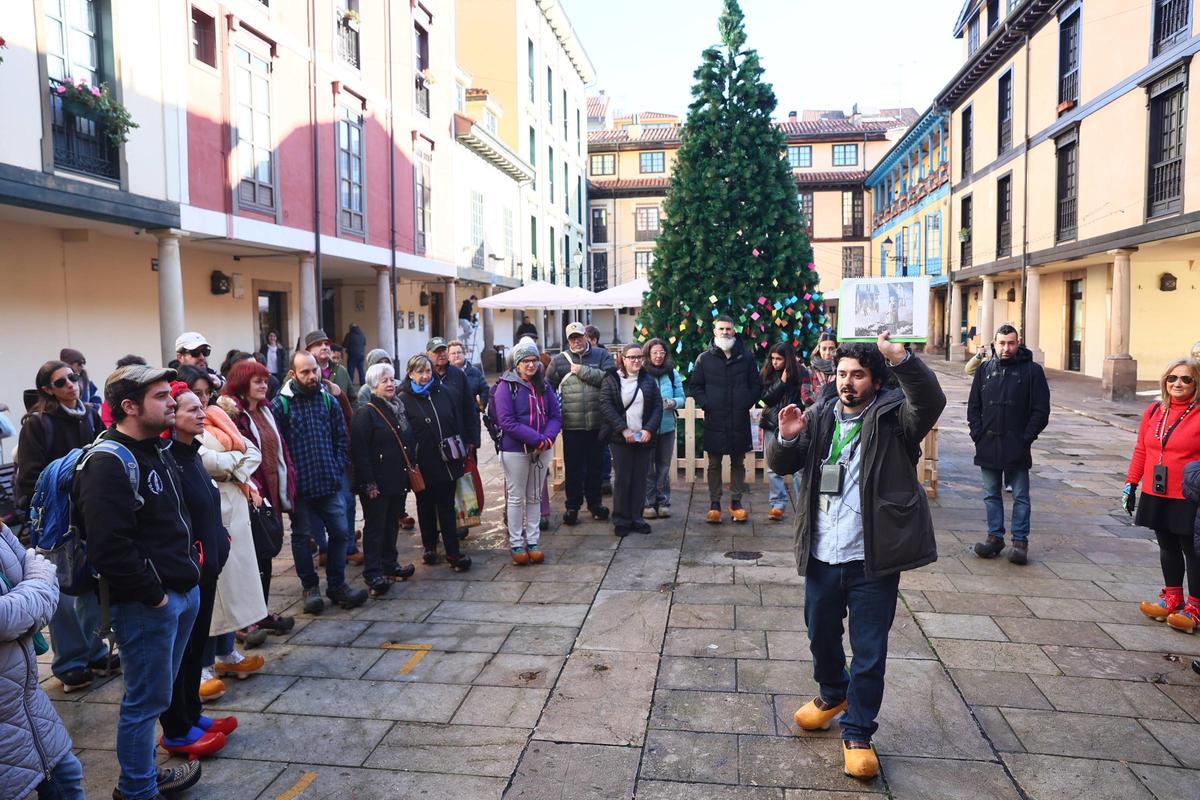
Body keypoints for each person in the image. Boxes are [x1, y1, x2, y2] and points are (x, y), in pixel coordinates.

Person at [768, 334, 946, 781]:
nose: (848, 382)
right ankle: (832, 692)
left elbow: (929, 400)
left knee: (869, 650)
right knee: (819, 633)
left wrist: (902, 358)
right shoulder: (821, 414)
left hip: (871, 556)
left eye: (858, 375)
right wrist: (786, 440)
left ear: (875, 378)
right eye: (842, 374)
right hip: (823, 550)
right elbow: (782, 464)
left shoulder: (894, 417)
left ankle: (858, 732)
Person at [75, 364, 203, 799]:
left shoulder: (155, 448)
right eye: (161, 396)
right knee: (143, 703)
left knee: (156, 698)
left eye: (171, 394)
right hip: (150, 605)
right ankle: (136, 789)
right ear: (129, 407)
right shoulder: (108, 462)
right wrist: (155, 598)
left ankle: (143, 773)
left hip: (181, 591)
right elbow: (110, 549)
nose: (172, 401)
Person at [15, 360, 115, 693]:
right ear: (47, 390)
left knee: (89, 586)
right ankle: (70, 663)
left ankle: (95, 651)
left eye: (74, 378)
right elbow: (28, 477)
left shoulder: (89, 412)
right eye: (62, 382)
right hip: (57, 518)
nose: (72, 384)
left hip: (89, 513)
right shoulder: (37, 423)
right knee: (63, 592)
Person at [158, 384, 234, 760]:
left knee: (195, 651)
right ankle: (177, 728)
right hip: (191, 572)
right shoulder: (169, 458)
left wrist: (221, 541)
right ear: (173, 419)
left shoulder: (192, 454)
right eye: (192, 410)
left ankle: (193, 714)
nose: (202, 414)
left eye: (202, 408)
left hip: (207, 570)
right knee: (182, 654)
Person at [272, 351, 368, 615]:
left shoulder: (328, 401)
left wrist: (336, 467)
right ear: (293, 375)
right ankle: (310, 588)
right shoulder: (281, 405)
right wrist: (289, 480)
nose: (312, 376)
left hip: (329, 484)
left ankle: (337, 585)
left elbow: (341, 438)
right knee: (302, 538)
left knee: (340, 533)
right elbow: (276, 447)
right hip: (300, 489)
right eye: (305, 372)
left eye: (314, 370)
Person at [0, 523, 86, 800]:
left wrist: (34, 590)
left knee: (66, 776)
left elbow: (37, 566)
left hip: (24, 697)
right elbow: (6, 619)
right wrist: (38, 587)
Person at [220, 360, 297, 638]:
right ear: (242, 385)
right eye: (257, 381)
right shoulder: (232, 416)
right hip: (248, 496)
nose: (264, 385)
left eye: (265, 380)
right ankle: (244, 621)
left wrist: (288, 485)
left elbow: (280, 449)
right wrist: (253, 489)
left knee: (264, 557)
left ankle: (259, 613)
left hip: (270, 496)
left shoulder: (265, 410)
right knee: (249, 559)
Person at [967, 325, 1051, 565]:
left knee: (1021, 496)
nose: (1006, 348)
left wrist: (1026, 437)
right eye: (1002, 343)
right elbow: (974, 406)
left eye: (1011, 343)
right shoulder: (985, 369)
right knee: (991, 494)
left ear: (1018, 342)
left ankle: (1020, 541)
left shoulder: (1032, 371)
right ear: (994, 343)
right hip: (988, 442)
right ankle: (995, 538)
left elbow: (1041, 410)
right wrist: (977, 433)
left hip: (1017, 444)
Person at [199, 394, 269, 676]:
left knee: (233, 585)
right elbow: (206, 461)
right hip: (210, 509)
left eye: (206, 391)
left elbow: (254, 452)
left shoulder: (219, 417)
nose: (202, 398)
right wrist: (234, 465)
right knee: (212, 593)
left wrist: (228, 468)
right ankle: (203, 665)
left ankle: (226, 652)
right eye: (196, 391)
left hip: (236, 507)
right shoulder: (181, 429)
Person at [1131, 359, 1200, 631]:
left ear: (1197, 384)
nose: (1178, 384)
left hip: (1188, 494)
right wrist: (1130, 483)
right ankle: (1172, 598)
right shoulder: (1154, 411)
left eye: (1186, 379)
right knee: (1166, 546)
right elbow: (1141, 450)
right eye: (1172, 378)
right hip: (1156, 490)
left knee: (1191, 550)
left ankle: (1194, 608)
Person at [398, 355, 472, 572]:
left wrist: (464, 444)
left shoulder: (443, 392)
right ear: (410, 373)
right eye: (420, 372)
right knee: (425, 506)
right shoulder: (405, 398)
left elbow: (456, 420)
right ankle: (429, 547)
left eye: (428, 371)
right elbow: (405, 434)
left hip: (447, 459)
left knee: (447, 507)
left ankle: (453, 552)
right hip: (423, 462)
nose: (425, 376)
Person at [350, 363, 417, 596]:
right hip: (376, 484)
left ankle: (390, 564)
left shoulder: (397, 407)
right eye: (383, 381)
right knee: (375, 528)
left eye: (391, 379)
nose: (390, 384)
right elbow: (360, 452)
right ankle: (373, 572)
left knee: (391, 525)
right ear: (373, 386)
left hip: (397, 479)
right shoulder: (365, 413)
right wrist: (368, 484)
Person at [689, 315, 761, 523]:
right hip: (715, 419)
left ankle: (736, 503)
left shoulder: (746, 358)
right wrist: (708, 403)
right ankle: (714, 504)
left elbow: (756, 386)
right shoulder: (704, 359)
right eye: (721, 329)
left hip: (738, 418)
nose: (725, 332)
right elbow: (695, 386)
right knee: (714, 464)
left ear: (734, 331)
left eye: (729, 329)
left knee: (738, 463)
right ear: (714, 331)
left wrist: (744, 402)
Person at [494, 340, 561, 564]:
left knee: (534, 496)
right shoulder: (506, 386)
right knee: (515, 497)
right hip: (515, 450)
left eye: (533, 360)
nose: (531, 365)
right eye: (525, 361)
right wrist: (538, 439)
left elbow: (555, 415)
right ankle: (516, 543)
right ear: (517, 364)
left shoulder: (544, 384)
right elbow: (507, 422)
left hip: (542, 449)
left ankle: (533, 541)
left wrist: (548, 438)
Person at [548, 322, 614, 525]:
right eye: (572, 338)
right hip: (572, 425)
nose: (576, 341)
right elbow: (548, 389)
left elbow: (611, 380)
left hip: (597, 422)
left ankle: (595, 504)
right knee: (574, 468)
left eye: (579, 336)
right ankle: (572, 506)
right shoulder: (558, 361)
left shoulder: (602, 356)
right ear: (568, 340)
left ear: (586, 337)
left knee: (595, 467)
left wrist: (582, 371)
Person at [304, 330, 360, 565]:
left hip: (340, 446)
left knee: (346, 499)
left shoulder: (341, 371)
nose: (324, 347)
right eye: (318, 345)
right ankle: (324, 546)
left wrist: (352, 419)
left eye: (326, 343)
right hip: (314, 449)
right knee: (317, 503)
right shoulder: (297, 377)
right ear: (309, 351)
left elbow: (354, 398)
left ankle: (349, 546)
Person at [600, 343, 662, 537]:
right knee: (623, 479)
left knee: (640, 479)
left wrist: (649, 429)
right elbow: (606, 405)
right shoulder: (611, 379)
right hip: (621, 439)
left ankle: (637, 517)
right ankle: (621, 519)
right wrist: (623, 429)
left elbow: (657, 406)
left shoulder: (649, 380)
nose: (636, 361)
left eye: (639, 357)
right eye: (632, 357)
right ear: (623, 359)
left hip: (643, 437)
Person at [760, 343, 813, 521]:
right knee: (772, 466)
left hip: (794, 423)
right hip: (771, 422)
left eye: (779, 359)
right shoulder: (768, 372)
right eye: (772, 358)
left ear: (787, 358)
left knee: (799, 469)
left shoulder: (802, 372)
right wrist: (781, 382)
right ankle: (777, 504)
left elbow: (806, 398)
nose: (774, 362)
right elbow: (766, 398)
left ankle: (801, 505)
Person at [642, 338, 686, 518]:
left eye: (661, 353)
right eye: (654, 353)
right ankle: (648, 502)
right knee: (647, 467)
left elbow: (682, 398)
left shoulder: (672, 373)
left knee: (664, 465)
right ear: (648, 354)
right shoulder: (642, 373)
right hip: (646, 427)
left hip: (667, 426)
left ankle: (663, 501)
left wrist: (672, 402)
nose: (658, 356)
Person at [586, 325, 614, 495]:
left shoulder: (604, 357)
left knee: (603, 445)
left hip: (602, 408)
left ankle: (604, 479)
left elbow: (609, 378)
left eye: (585, 339)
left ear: (594, 340)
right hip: (584, 411)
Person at [59, 347, 100, 412]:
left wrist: (91, 406)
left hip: (85, 416)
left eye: (83, 364)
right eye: (79, 364)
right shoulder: (59, 382)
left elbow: (97, 399)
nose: (82, 367)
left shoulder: (87, 381)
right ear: (69, 364)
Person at [808, 333, 838, 403]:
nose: (828, 353)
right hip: (814, 411)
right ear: (819, 349)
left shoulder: (841, 370)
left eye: (831, 349)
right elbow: (805, 397)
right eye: (824, 349)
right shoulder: (810, 370)